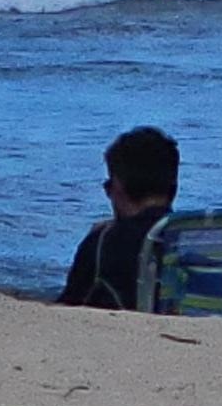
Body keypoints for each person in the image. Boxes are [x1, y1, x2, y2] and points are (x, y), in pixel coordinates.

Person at [58, 124, 180, 309]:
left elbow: (68, 306)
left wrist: (98, 238)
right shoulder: (195, 238)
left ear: (118, 187)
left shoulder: (103, 242)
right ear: (174, 189)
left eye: (108, 186)